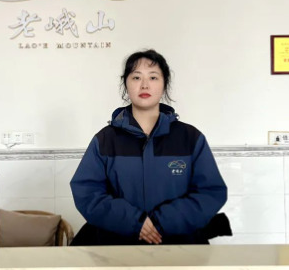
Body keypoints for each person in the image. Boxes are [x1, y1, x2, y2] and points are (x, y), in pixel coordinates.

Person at [69, 49, 228, 246]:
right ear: (126, 84)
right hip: (116, 249)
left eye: (153, 77)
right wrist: (134, 222)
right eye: (136, 77)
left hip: (180, 247)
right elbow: (87, 192)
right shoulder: (105, 140)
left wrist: (162, 222)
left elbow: (210, 192)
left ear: (164, 84)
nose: (144, 85)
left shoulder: (190, 138)